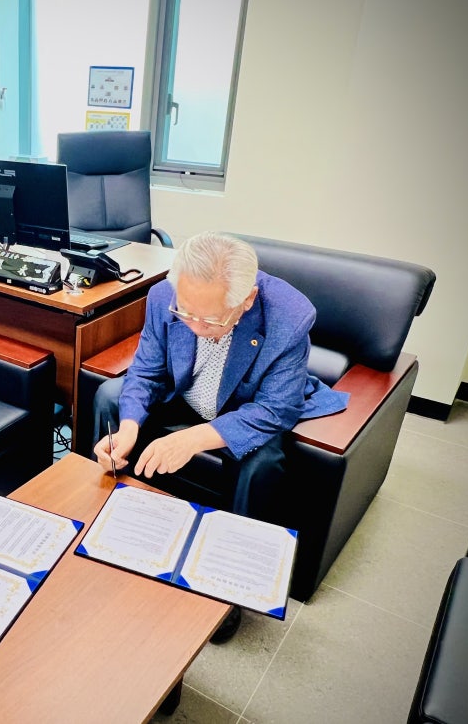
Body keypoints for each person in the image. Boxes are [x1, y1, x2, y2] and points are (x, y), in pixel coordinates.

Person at [91, 231, 349, 641]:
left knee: (262, 461)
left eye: (209, 320)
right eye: (185, 313)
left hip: (246, 406)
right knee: (110, 397)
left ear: (246, 300)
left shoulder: (289, 317)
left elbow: (275, 410)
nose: (194, 327)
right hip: (185, 391)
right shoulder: (165, 295)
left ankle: (224, 590)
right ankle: (110, 527)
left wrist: (194, 439)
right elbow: (146, 371)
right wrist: (128, 429)